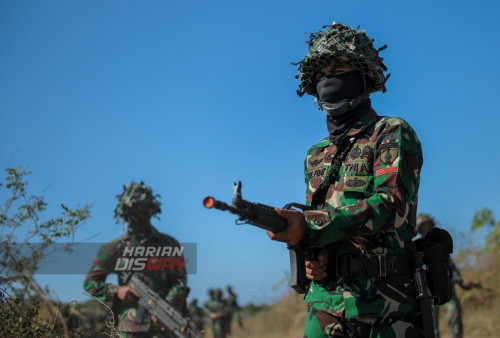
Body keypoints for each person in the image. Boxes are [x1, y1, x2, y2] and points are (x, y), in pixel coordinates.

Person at [266, 22, 424, 337]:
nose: (329, 77)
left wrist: (310, 224)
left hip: (384, 307)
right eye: (321, 72)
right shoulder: (316, 154)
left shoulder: (390, 132)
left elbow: (392, 207)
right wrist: (312, 258)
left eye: (339, 67)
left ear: (363, 76)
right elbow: (321, 229)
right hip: (325, 307)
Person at [83, 181, 188, 338]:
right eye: (134, 207)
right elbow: (90, 284)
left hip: (164, 328)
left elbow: (180, 282)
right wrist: (118, 291)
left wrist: (165, 308)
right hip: (129, 328)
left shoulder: (169, 244)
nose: (139, 212)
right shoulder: (113, 248)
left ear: (152, 209)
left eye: (144, 207)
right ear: (125, 210)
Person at [417, 213, 471, 338]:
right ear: (420, 229)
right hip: (427, 292)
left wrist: (461, 281)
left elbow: (451, 268)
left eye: (428, 225)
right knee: (431, 327)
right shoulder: (418, 247)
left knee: (455, 319)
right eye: (423, 226)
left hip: (445, 288)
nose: (426, 228)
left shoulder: (440, 248)